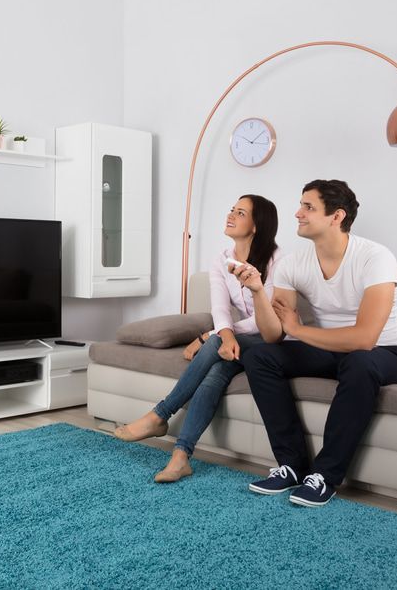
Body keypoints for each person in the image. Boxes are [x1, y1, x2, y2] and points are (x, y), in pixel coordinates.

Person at [237, 179, 397, 507]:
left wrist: (299, 331)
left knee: (359, 361)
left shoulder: (376, 258)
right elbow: (275, 335)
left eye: (308, 207)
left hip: (384, 353)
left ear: (336, 216)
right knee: (261, 356)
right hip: (331, 351)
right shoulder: (292, 264)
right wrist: (259, 293)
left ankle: (326, 476)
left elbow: (364, 339)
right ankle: (291, 466)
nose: (297, 213)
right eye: (300, 205)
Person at [114, 194, 281, 483]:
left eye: (240, 213)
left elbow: (270, 321)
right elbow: (219, 307)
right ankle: (180, 458)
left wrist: (213, 336)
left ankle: (160, 415)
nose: (230, 215)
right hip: (241, 343)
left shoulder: (278, 261)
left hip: (276, 340)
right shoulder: (221, 259)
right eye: (231, 209)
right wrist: (224, 333)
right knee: (216, 371)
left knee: (216, 344)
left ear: (256, 225)